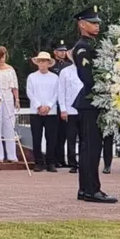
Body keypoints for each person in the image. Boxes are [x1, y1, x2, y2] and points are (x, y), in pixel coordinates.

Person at [73, 6, 117, 203]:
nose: (97, 25)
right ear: (82, 24)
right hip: (92, 102)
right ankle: (92, 190)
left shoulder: (92, 44)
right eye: (93, 22)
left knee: (88, 148)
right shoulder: (83, 47)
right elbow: (87, 77)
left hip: (92, 102)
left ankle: (85, 189)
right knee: (91, 148)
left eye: (98, 22)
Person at [27, 51, 59, 172]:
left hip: (51, 112)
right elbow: (30, 93)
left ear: (48, 63)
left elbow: (57, 93)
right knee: (36, 137)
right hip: (36, 112)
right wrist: (39, 106)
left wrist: (49, 106)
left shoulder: (55, 77)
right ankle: (38, 162)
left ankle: (51, 162)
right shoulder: (32, 77)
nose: (42, 64)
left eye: (44, 61)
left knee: (51, 138)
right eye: (40, 61)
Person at [58, 50, 83, 174]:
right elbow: (61, 91)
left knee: (85, 138)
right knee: (71, 138)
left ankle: (84, 162)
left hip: (84, 110)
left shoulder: (87, 70)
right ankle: (73, 163)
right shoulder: (65, 72)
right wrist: (63, 109)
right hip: (70, 109)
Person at [0, 46, 20, 163]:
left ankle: (12, 155)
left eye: (3, 56)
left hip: (8, 97)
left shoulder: (10, 69)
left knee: (9, 125)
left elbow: (14, 86)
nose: (1, 59)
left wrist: (17, 99)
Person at [50, 40, 72, 168]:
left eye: (64, 51)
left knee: (64, 133)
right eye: (60, 51)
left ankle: (62, 159)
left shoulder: (69, 65)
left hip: (65, 103)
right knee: (55, 133)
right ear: (55, 52)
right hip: (54, 103)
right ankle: (54, 158)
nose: (63, 53)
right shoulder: (52, 66)